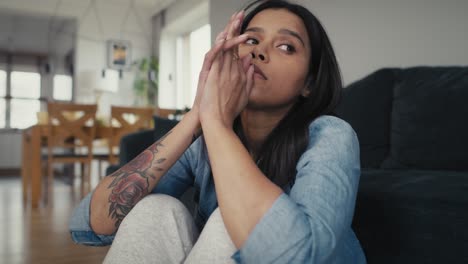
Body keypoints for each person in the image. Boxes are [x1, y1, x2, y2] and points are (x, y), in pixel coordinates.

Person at [69, 0, 367, 263]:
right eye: (251, 40)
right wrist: (198, 114)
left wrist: (216, 123)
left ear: (309, 84)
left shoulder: (330, 136)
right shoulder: (206, 140)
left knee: (234, 225)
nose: (259, 53)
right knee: (154, 210)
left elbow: (296, 255)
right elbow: (97, 221)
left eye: (286, 46)